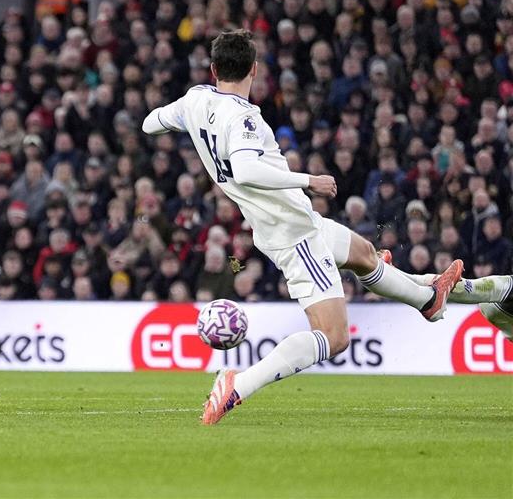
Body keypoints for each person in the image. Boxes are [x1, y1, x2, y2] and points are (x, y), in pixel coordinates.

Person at [142, 30, 462, 426]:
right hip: (294, 233)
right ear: (254, 70)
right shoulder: (244, 117)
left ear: (213, 69)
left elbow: (150, 124)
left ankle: (427, 301)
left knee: (364, 254)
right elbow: (245, 168)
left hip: (287, 221)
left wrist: (189, 125)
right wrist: (307, 179)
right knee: (334, 336)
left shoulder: (195, 99)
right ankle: (238, 384)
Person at [378, 250, 512, 341]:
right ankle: (396, 275)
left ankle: (394, 275)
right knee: (466, 287)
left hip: (495, 305)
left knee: (475, 288)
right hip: (500, 304)